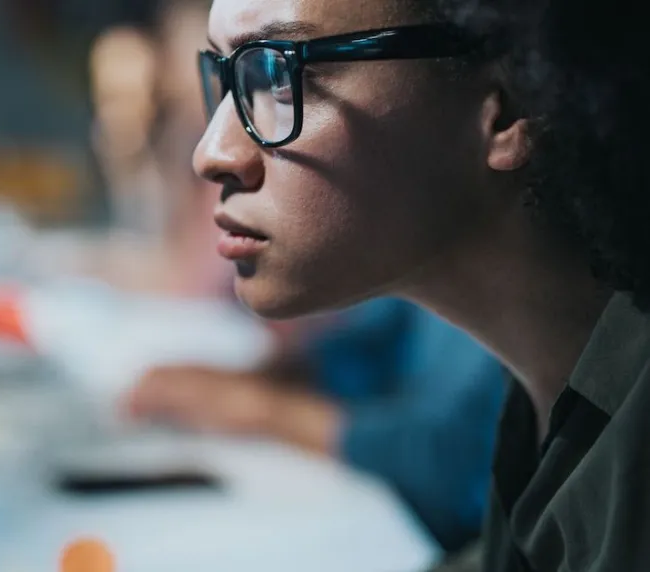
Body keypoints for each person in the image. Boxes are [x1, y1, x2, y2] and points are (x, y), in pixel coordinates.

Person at [191, 0, 650, 569]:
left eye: (280, 77)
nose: (211, 154)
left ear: (510, 105)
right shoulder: (544, 387)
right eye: (224, 73)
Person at [128, 297, 506, 553]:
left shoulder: (499, 276)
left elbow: (451, 459)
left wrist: (265, 410)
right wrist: (259, 379)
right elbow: (366, 348)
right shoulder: (430, 249)